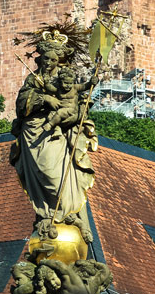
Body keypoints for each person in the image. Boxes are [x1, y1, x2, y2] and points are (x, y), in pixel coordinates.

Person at [10, 35, 97, 243]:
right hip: (34, 132)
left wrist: (83, 102)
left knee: (56, 176)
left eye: (52, 60)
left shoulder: (65, 78)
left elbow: (77, 97)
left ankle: (67, 214)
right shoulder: (33, 78)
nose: (48, 63)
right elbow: (21, 102)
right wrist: (44, 99)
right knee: (40, 175)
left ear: (59, 61)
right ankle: (46, 215)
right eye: (45, 59)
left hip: (57, 131)